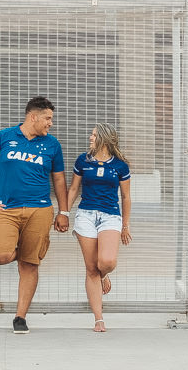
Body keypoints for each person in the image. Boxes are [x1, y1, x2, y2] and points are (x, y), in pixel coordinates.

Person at [0, 96, 69, 334]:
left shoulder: (52, 145)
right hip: (6, 209)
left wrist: (63, 211)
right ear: (33, 117)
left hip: (40, 210)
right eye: (47, 118)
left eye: (52, 119)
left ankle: (20, 317)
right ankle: (12, 245)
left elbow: (58, 179)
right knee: (0, 254)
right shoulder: (4, 137)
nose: (50, 123)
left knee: (29, 264)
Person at [66, 122, 131, 332]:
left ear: (104, 138)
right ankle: (98, 318)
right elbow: (74, 188)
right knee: (91, 268)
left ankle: (105, 275)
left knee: (107, 261)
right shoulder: (83, 161)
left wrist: (125, 225)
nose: (90, 138)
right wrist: (64, 213)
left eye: (94, 135)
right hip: (86, 215)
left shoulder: (120, 165)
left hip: (110, 215)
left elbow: (126, 196)